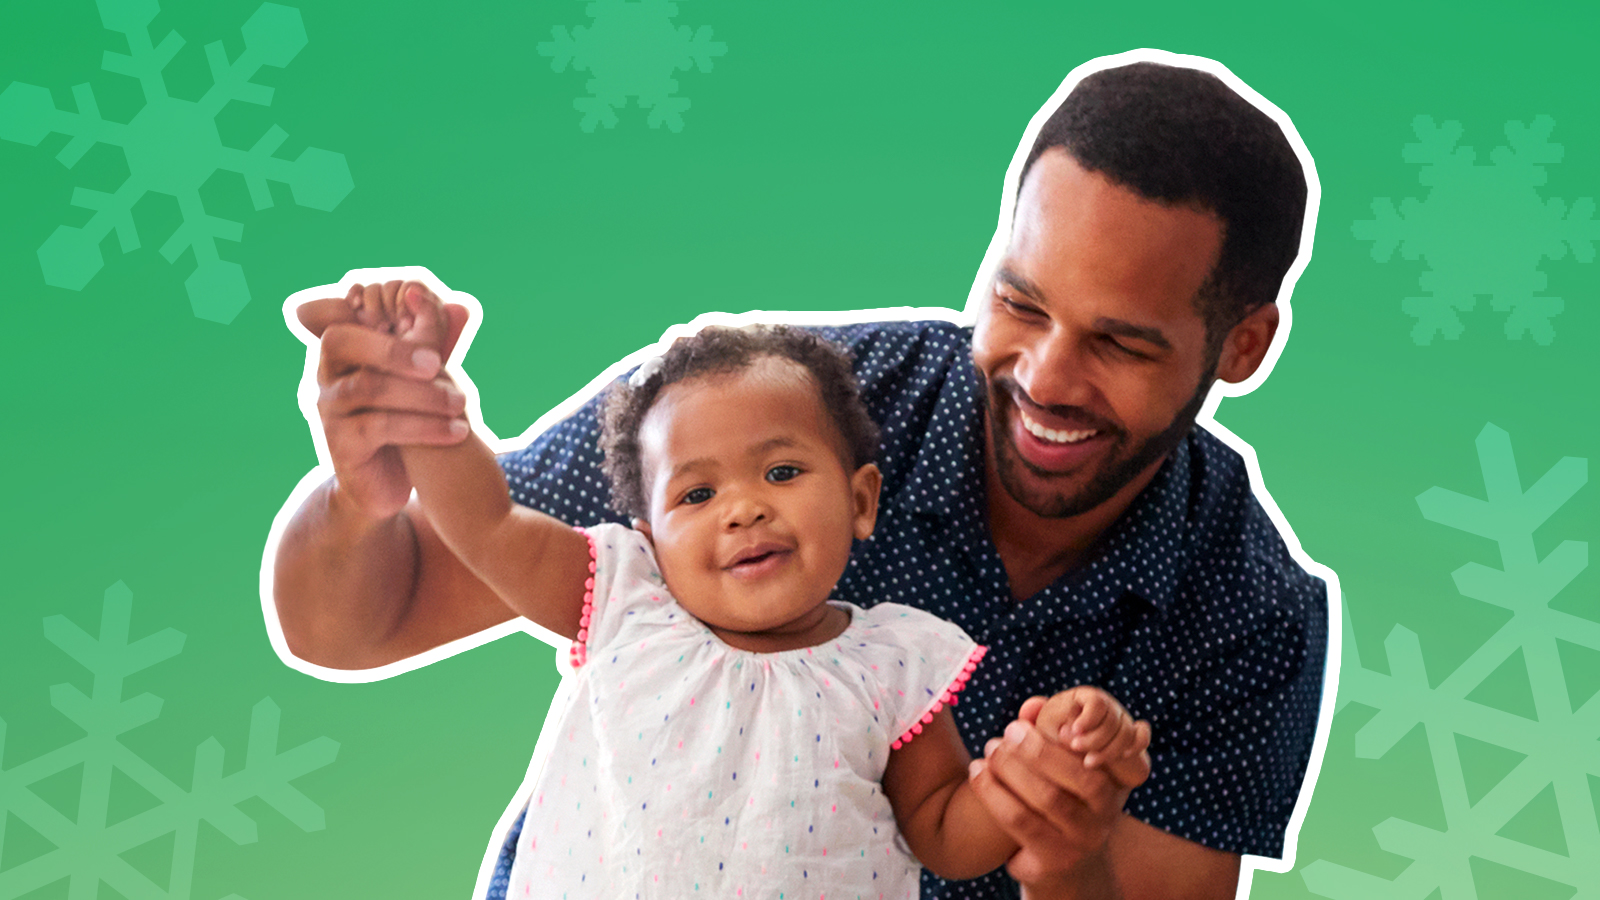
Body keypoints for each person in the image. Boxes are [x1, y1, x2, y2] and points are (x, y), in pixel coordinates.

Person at [272, 57, 1329, 900]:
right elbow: (364, 619)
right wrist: (370, 485)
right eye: (1021, 304)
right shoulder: (754, 410)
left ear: (1240, 346)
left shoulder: (1247, 612)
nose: (1044, 377)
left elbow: (966, 837)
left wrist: (1060, 850)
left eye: (1122, 345)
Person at [346, 285, 1153, 895]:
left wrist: (1025, 787)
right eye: (696, 496)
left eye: (782, 471)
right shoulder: (625, 599)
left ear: (862, 499)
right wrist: (425, 407)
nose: (744, 508)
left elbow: (943, 834)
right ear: (651, 533)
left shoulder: (893, 663)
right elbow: (485, 525)